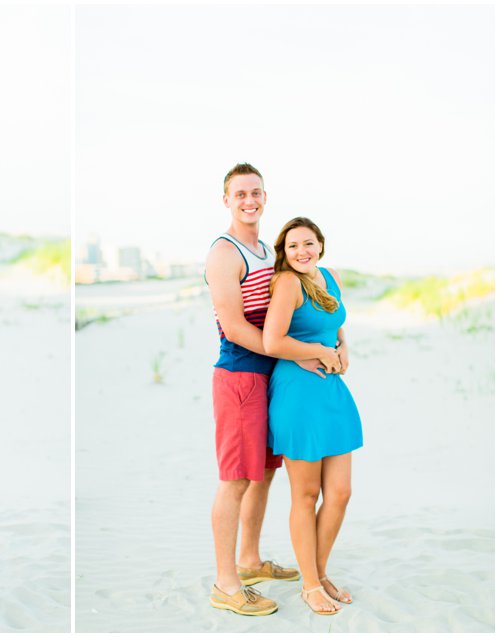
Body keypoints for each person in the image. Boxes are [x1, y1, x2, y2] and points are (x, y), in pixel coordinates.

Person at [205, 163, 340, 617]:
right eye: (240, 193)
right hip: (241, 376)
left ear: (265, 197)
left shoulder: (266, 249)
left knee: (264, 474)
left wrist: (309, 348)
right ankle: (226, 583)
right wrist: (294, 351)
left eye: (256, 192)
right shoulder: (224, 253)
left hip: (272, 378)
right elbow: (233, 325)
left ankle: (249, 560)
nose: (249, 200)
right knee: (236, 478)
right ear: (226, 199)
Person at [262, 217, 363, 615]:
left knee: (340, 493)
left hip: (331, 392)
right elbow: (273, 340)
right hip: (297, 394)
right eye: (292, 247)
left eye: (308, 243)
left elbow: (335, 325)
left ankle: (319, 574)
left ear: (320, 244)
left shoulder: (330, 276)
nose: (301, 252)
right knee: (306, 495)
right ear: (283, 254)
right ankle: (309, 585)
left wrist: (341, 346)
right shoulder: (288, 283)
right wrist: (317, 353)